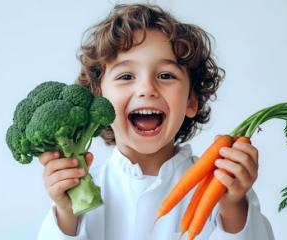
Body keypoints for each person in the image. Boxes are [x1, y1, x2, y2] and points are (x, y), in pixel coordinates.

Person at [37, 3, 274, 240]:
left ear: (192, 100)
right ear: (99, 100)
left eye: (165, 75)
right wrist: (66, 214)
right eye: (126, 76)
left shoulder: (226, 188)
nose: (146, 89)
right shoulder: (82, 191)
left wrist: (233, 206)